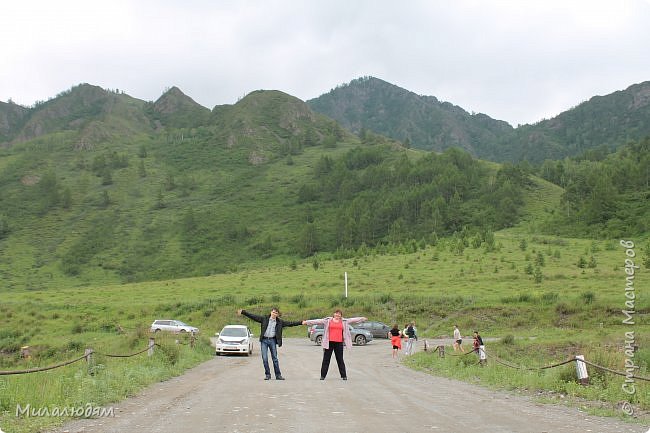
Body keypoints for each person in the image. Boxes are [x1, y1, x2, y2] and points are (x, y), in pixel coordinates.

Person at [238, 307, 303, 380]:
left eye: (276, 313)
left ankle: (278, 375)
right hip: (264, 341)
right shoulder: (264, 319)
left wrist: (301, 322)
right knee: (265, 358)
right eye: (273, 312)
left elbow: (290, 323)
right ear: (271, 312)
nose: (274, 314)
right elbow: (253, 316)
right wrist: (243, 312)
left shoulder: (279, 322)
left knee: (275, 358)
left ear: (277, 315)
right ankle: (268, 375)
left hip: (272, 341)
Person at [303, 310, 367, 380]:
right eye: (336, 313)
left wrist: (362, 319)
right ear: (334, 314)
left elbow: (353, 320)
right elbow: (317, 321)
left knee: (340, 359)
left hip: (339, 343)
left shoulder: (344, 321)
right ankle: (323, 376)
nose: (337, 315)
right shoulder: (327, 321)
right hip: (329, 343)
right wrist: (307, 322)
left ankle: (344, 376)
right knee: (326, 360)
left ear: (341, 315)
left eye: (339, 314)